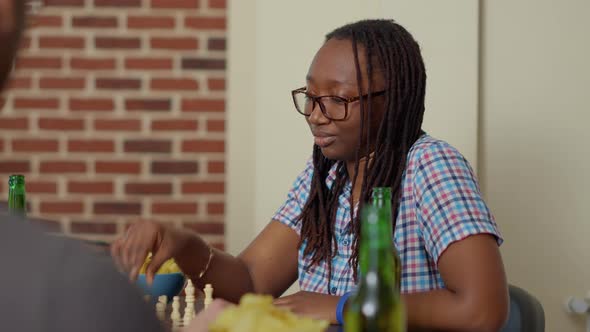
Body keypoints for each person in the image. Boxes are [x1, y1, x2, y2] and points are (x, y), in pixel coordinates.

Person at [112, 19, 509, 331]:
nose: (317, 116)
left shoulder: (430, 165)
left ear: (393, 99)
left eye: (337, 99)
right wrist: (183, 243)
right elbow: (250, 283)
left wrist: (339, 307)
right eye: (311, 98)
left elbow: (482, 310)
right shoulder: (327, 174)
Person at [0, 2, 229, 331]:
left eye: (334, 98)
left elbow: (252, 280)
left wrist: (185, 243)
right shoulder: (77, 288)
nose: (315, 115)